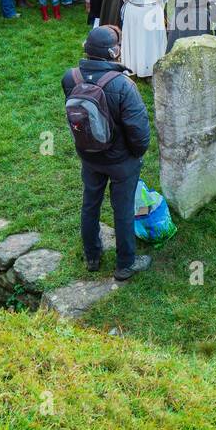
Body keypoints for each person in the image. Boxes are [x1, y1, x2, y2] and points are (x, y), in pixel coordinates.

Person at [62, 26, 153, 281]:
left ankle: (92, 256)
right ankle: (125, 264)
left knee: (90, 203)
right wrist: (135, 155)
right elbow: (139, 131)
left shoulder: (70, 78)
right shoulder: (124, 85)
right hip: (121, 160)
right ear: (114, 52)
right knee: (122, 209)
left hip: (89, 154)